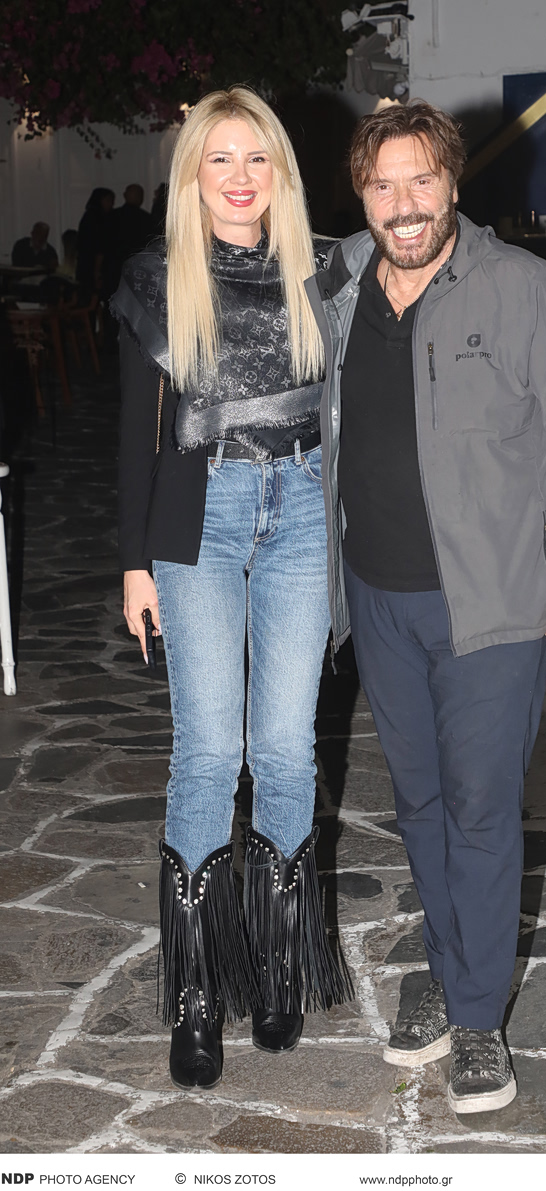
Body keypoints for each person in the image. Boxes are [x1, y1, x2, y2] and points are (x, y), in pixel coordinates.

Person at [306, 100, 546, 1114]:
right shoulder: (339, 288)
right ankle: (452, 974)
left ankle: (479, 1017)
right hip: (379, 598)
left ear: (453, 183)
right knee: (418, 806)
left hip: (493, 605)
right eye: (382, 185)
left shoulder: (524, 291)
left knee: (483, 808)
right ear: (360, 196)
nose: (403, 204)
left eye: (422, 180)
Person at [112, 85, 349, 1092]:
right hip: (197, 518)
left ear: (280, 171)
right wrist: (133, 560)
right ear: (193, 176)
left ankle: (282, 963)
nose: (240, 177)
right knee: (208, 751)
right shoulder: (154, 279)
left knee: (287, 748)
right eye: (220, 158)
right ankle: (200, 991)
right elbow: (136, 432)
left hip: (301, 511)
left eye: (257, 158)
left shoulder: (328, 271)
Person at [76, 187, 114, 301]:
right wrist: (97, 272)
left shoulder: (88, 216)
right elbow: (100, 246)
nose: (111, 204)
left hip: (85, 265)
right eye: (108, 200)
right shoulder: (99, 219)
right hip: (94, 267)